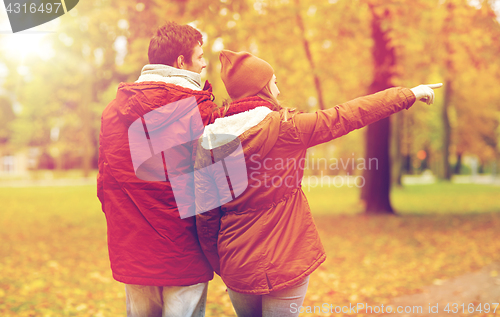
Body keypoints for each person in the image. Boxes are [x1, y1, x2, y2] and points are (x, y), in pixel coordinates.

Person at [195, 50, 441, 317]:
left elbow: (205, 216)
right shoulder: (287, 128)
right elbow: (349, 114)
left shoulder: (207, 143)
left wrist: (223, 264)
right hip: (286, 261)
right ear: (262, 88)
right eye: (274, 82)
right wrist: (409, 94)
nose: (278, 90)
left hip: (238, 266)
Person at [97, 22, 218, 317]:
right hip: (186, 251)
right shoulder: (200, 111)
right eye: (200, 56)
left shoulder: (113, 112)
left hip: (135, 249)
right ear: (181, 62)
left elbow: (106, 186)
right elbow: (212, 191)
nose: (204, 63)